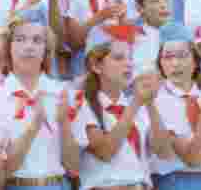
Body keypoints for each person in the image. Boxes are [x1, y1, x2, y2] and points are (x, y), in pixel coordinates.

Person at [0, 8, 78, 189]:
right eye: (20, 39)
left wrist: (64, 123)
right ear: (9, 47)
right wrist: (34, 125)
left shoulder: (63, 93)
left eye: (37, 40)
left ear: (46, 49)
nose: (29, 47)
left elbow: (73, 167)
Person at [71, 23, 170, 190]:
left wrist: (150, 103)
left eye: (130, 57)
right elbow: (106, 151)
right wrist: (136, 103)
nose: (128, 64)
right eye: (118, 58)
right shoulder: (82, 104)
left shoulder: (135, 103)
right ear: (96, 66)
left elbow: (163, 151)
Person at [152, 21, 201, 190]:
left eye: (182, 56)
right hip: (176, 182)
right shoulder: (156, 102)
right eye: (168, 57)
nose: (175, 64)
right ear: (160, 64)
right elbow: (193, 158)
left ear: (195, 61)